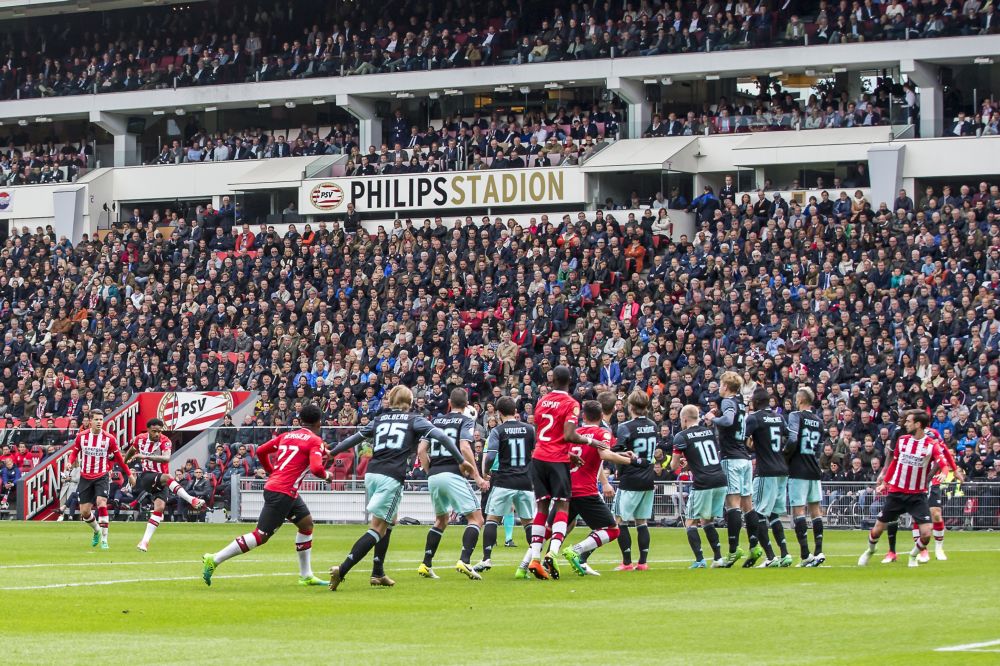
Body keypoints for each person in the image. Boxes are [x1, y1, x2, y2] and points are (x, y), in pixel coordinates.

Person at [327, 386, 474, 591]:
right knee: (378, 527)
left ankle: (378, 572)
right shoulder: (414, 419)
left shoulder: (379, 419)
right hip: (391, 476)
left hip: (372, 473)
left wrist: (332, 452)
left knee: (390, 520)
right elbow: (443, 437)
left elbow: (356, 438)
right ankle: (342, 570)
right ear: (410, 401)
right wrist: (461, 460)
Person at [202, 403, 332, 587]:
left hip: (282, 489)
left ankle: (306, 575)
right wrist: (328, 475)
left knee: (306, 524)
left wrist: (272, 471)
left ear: (300, 420)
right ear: (319, 422)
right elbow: (318, 469)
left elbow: (261, 450)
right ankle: (214, 559)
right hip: (283, 492)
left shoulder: (287, 436)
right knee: (260, 535)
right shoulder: (314, 440)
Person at [526, 365, 609, 580]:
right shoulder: (571, 403)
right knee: (563, 505)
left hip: (538, 457)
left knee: (541, 509)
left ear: (552, 380)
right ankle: (552, 553)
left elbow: (541, 431)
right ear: (570, 380)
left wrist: (568, 453)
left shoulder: (541, 400)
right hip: (556, 460)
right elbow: (570, 435)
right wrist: (592, 441)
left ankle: (535, 558)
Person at [859, 411, 957, 568]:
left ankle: (913, 555)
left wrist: (944, 474)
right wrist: (885, 482)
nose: (905, 424)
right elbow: (894, 463)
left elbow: (943, 463)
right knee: (877, 529)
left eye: (909, 421)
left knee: (926, 534)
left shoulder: (931, 445)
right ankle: (870, 550)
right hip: (896, 493)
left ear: (918, 424)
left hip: (917, 495)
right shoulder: (903, 441)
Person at [417, 388, 489, 580]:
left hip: (434, 475)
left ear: (449, 402)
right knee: (477, 519)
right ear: (466, 405)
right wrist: (477, 477)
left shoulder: (435, 421)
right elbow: (465, 447)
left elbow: (422, 450)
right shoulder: (466, 420)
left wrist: (428, 471)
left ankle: (426, 563)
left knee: (441, 520)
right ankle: (465, 560)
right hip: (452, 474)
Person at [561, 400, 634, 575]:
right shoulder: (602, 432)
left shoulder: (574, 433)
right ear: (602, 416)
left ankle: (533, 561)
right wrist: (632, 461)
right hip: (586, 489)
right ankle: (577, 552)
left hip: (566, 487)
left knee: (561, 527)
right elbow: (602, 455)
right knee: (611, 528)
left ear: (583, 416)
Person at [477, 396, 536, 577]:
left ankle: (487, 558)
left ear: (499, 413)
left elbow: (492, 455)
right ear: (516, 411)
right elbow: (535, 453)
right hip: (525, 481)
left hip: (504, 480)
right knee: (528, 522)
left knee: (492, 519)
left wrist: (486, 471)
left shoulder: (498, 431)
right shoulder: (529, 429)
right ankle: (536, 558)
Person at [126, 418, 206, 551]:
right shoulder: (140, 439)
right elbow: (132, 450)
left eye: (159, 431)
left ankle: (144, 542)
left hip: (161, 479)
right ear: (148, 430)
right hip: (147, 477)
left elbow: (166, 458)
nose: (157, 434)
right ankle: (191, 499)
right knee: (168, 477)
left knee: (159, 509)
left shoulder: (165, 441)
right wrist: (125, 463)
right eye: (154, 431)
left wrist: (145, 457)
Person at [609, 390, 662, 571]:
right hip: (648, 477)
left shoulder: (625, 426)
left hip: (630, 478)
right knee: (642, 521)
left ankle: (626, 562)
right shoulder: (653, 425)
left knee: (620, 520)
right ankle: (643, 562)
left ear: (630, 406)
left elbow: (617, 451)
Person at [68, 410, 135, 549]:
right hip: (85, 476)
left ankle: (105, 539)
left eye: (101, 419)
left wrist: (129, 474)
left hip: (102, 475)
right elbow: (74, 452)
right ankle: (97, 530)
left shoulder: (109, 439)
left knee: (101, 502)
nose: (99, 422)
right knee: (85, 512)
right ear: (90, 421)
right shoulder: (81, 437)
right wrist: (70, 462)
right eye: (96, 419)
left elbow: (120, 460)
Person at [705, 371, 750, 567]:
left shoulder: (727, 401)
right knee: (747, 504)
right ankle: (754, 545)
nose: (719, 388)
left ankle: (733, 549)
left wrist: (712, 418)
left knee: (733, 504)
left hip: (731, 457)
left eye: (721, 384)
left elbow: (729, 420)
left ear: (726, 386)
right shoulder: (741, 402)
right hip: (744, 457)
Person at [672, 405, 726, 568]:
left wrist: (681, 464)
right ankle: (718, 558)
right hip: (719, 478)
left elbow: (674, 466)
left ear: (685, 419)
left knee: (690, 522)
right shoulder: (709, 432)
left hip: (703, 481)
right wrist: (690, 464)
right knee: (707, 520)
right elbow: (705, 456)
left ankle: (700, 560)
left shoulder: (682, 436)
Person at [744, 388, 792, 567]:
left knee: (759, 513)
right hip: (781, 469)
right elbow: (790, 437)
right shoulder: (779, 417)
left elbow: (743, 440)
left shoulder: (754, 418)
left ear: (755, 402)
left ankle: (771, 557)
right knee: (774, 514)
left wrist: (753, 448)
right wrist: (781, 453)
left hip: (766, 471)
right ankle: (785, 554)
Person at [786, 387, 826, 567]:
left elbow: (793, 440)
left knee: (799, 511)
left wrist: (784, 456)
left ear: (800, 400)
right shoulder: (818, 420)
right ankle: (819, 551)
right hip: (814, 467)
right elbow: (819, 448)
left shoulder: (796, 416)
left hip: (798, 469)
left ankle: (804, 554)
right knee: (815, 509)